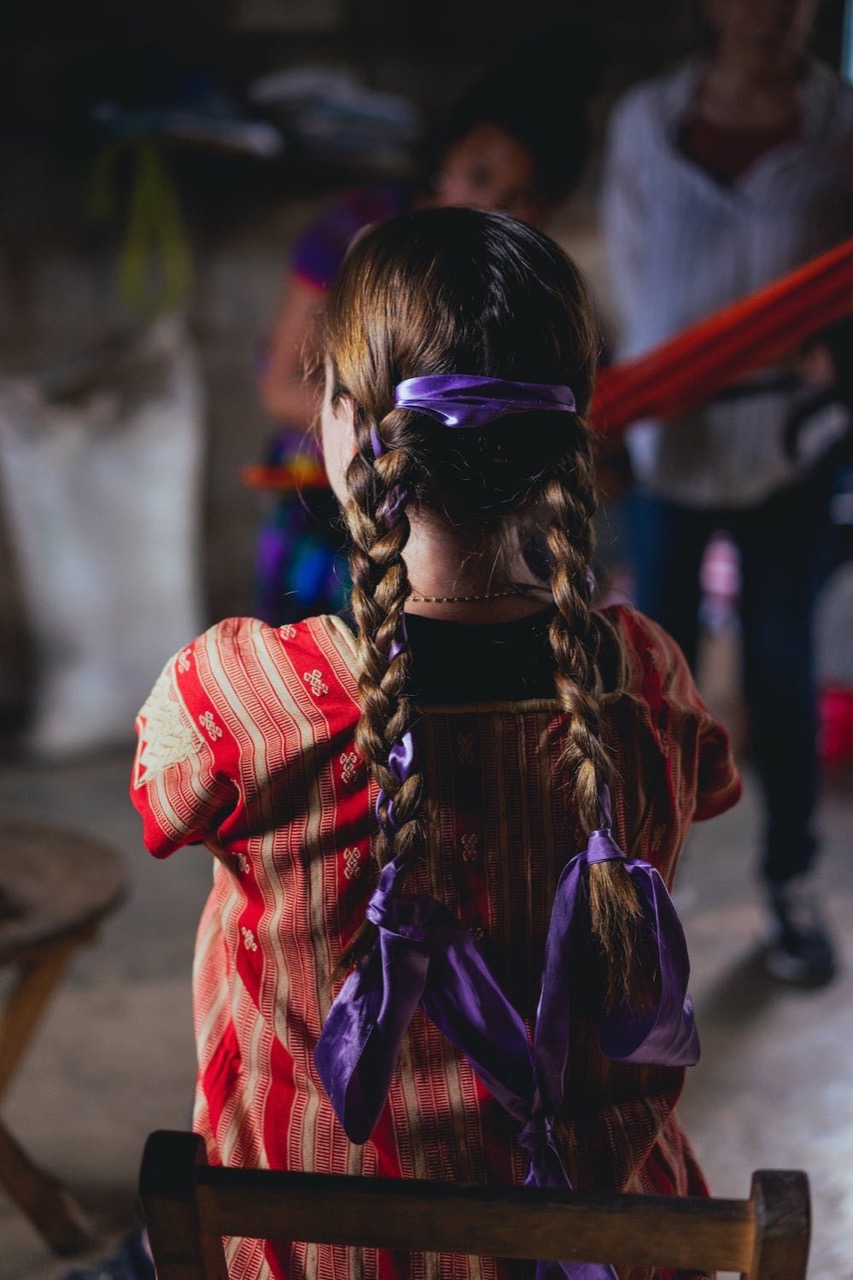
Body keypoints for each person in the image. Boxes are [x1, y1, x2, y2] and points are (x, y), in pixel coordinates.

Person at [130, 208, 740, 1280]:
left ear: (344, 423)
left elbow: (161, 803)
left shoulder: (245, 698)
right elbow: (710, 783)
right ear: (566, 438)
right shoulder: (646, 680)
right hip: (610, 1244)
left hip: (325, 1252)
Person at [600, 0, 853, 986]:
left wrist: (828, 356)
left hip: (791, 436)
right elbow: (632, 272)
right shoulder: (646, 123)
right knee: (649, 678)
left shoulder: (838, 125)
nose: (771, 12)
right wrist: (660, 384)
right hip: (670, 434)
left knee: (780, 666)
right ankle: (638, 886)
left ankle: (789, 882)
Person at [253, 33, 601, 625]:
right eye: (478, 175)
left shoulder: (523, 284)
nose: (485, 207)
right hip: (333, 504)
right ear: (447, 157)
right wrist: (406, 435)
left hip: (468, 527)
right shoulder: (356, 238)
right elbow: (281, 386)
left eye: (518, 198)